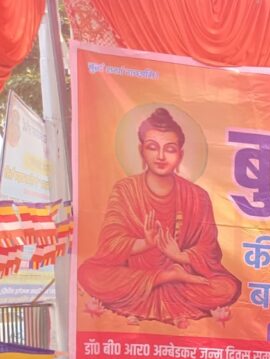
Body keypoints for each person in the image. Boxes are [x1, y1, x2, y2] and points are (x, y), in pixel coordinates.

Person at [78, 107, 241, 327]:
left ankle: (168, 280)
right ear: (141, 151)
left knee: (226, 287)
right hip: (137, 275)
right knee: (89, 274)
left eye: (170, 149)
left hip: (183, 277)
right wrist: (144, 243)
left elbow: (209, 249)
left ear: (180, 154)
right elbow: (109, 245)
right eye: (153, 147)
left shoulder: (197, 196)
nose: (161, 156)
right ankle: (164, 278)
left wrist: (180, 256)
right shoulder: (125, 189)